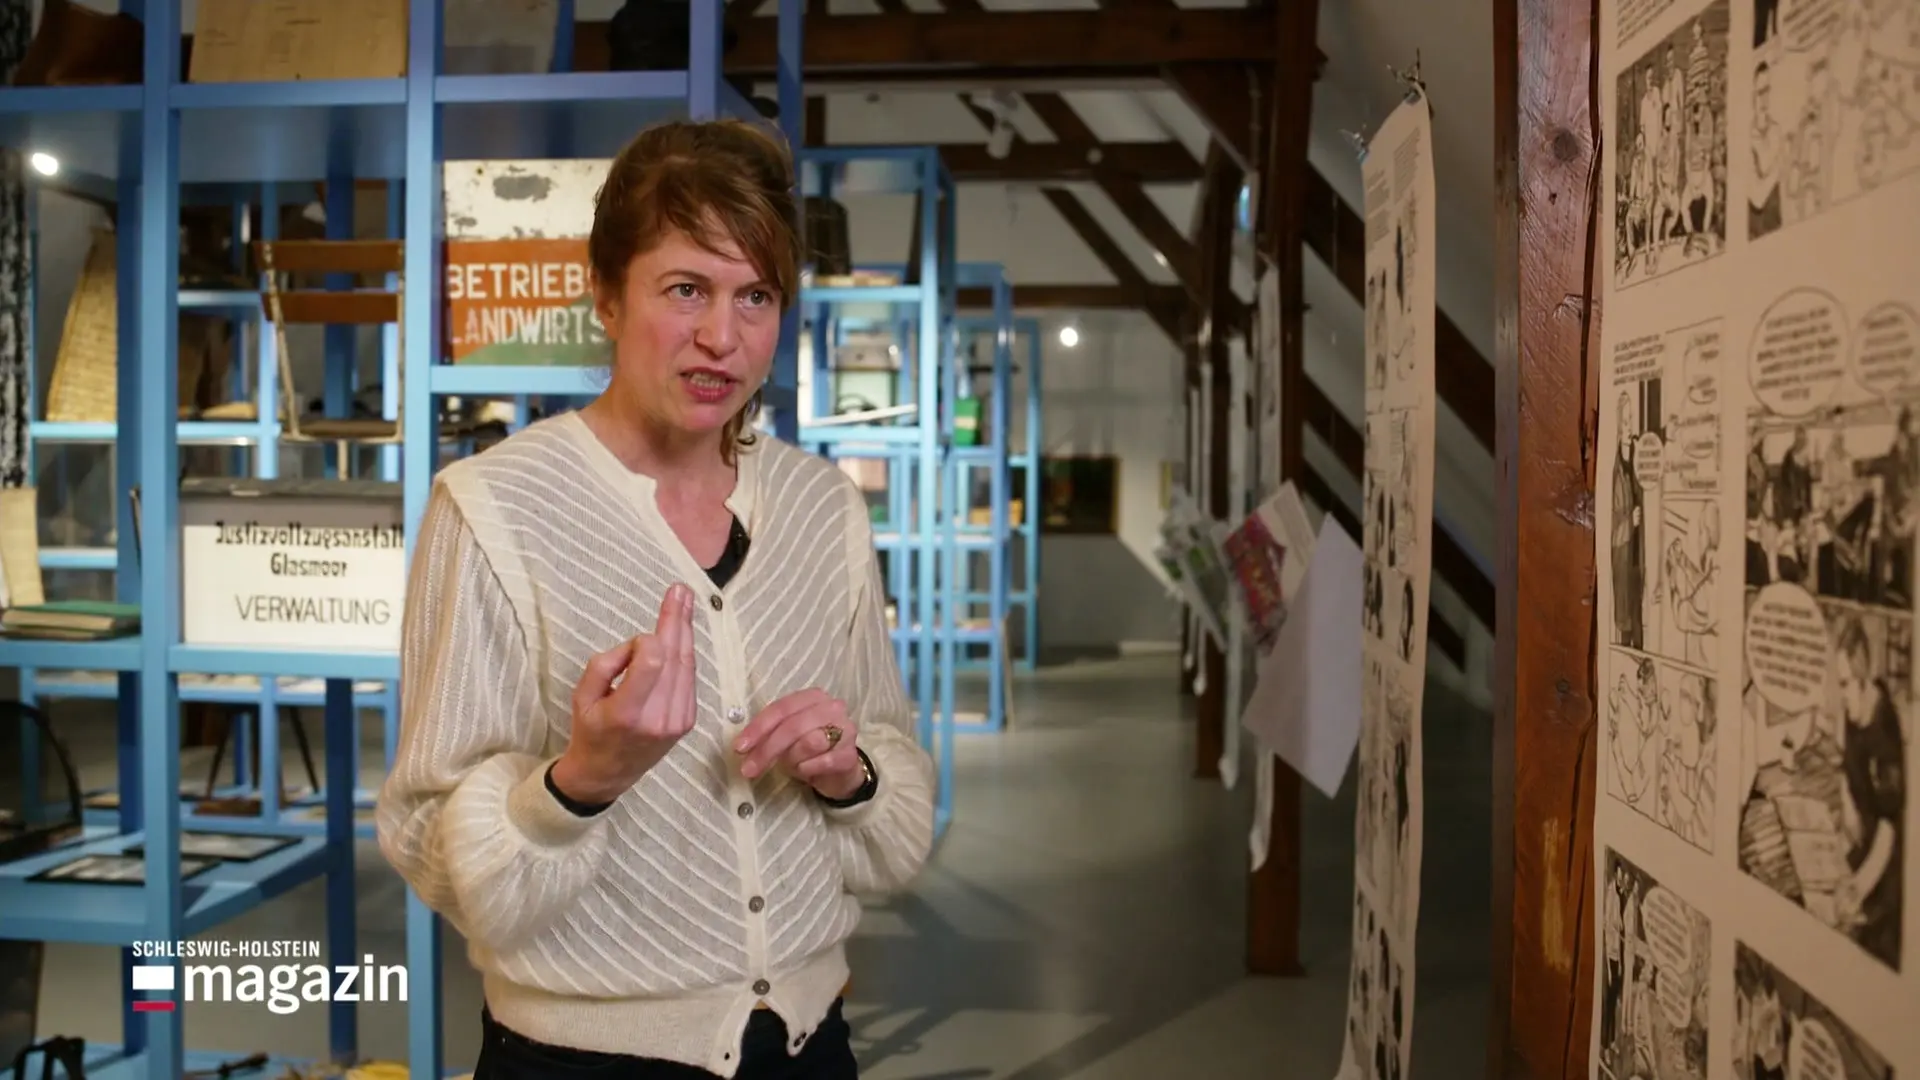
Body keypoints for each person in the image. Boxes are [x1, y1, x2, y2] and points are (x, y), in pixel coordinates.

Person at [376, 118, 938, 1079]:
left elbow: (895, 794)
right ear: (604, 294)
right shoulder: (494, 507)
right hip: (584, 1058)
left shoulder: (823, 507)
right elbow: (426, 835)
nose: (723, 336)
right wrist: (580, 782)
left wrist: (849, 774)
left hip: (809, 1043)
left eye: (756, 296)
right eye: (686, 290)